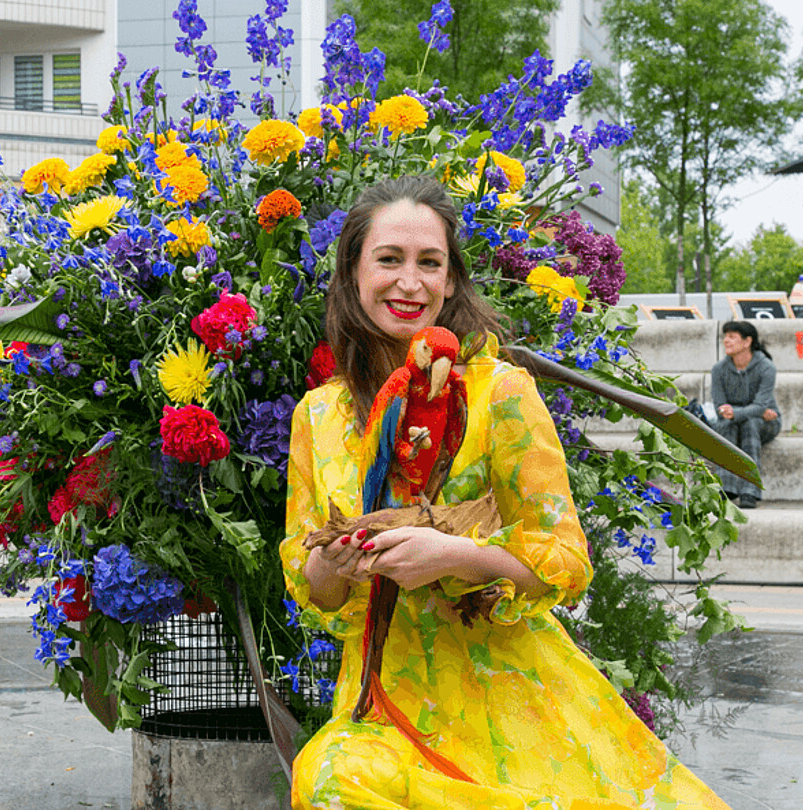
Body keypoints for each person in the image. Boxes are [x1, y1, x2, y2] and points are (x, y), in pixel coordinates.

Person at [282, 176, 728, 808]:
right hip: (383, 706)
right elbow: (317, 591)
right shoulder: (317, 418)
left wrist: (456, 557)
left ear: (451, 281)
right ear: (352, 273)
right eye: (389, 259)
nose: (410, 282)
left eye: (429, 263)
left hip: (509, 700)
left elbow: (567, 560)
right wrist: (335, 560)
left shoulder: (501, 395)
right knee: (328, 778)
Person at [708, 320, 779, 509]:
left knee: (750, 424)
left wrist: (736, 412)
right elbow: (719, 405)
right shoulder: (719, 370)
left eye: (732, 337)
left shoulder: (766, 367)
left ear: (747, 342)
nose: (726, 341)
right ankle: (726, 488)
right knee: (726, 424)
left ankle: (750, 490)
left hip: (767, 422)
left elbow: (761, 405)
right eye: (725, 337)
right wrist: (728, 412)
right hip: (734, 420)